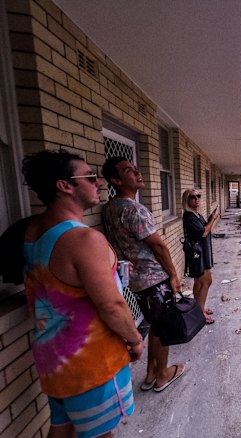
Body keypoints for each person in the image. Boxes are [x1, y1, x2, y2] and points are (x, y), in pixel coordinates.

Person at [21, 150, 144, 438]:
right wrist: (135, 339)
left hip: (53, 359)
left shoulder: (31, 232)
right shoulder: (83, 239)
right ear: (65, 186)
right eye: (89, 177)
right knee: (101, 434)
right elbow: (112, 305)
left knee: (61, 429)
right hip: (91, 364)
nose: (98, 182)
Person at [102, 157, 185, 393]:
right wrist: (174, 275)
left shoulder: (110, 208)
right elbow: (158, 245)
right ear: (116, 180)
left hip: (135, 281)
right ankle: (162, 375)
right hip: (154, 280)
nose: (138, 173)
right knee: (164, 329)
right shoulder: (133, 209)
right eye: (129, 171)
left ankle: (150, 374)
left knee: (155, 327)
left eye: (136, 168)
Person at [181, 189, 220, 324]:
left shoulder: (196, 214)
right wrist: (213, 220)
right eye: (193, 197)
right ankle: (201, 313)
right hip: (198, 254)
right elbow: (203, 232)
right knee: (206, 281)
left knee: (199, 282)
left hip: (202, 252)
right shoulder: (189, 216)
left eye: (198, 196)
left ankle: (198, 308)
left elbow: (205, 228)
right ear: (187, 200)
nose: (196, 199)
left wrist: (210, 219)